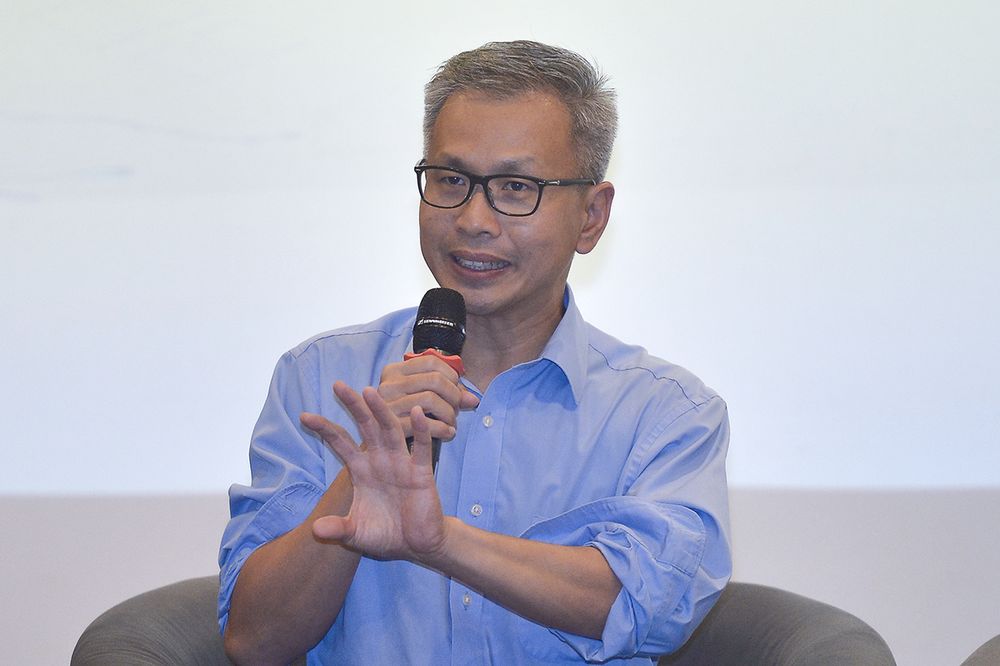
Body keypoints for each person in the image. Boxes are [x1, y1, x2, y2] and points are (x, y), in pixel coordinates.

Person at [218, 40, 731, 664]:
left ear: (592, 216)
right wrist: (357, 482)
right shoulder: (321, 379)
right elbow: (253, 642)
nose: (473, 219)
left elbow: (651, 609)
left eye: (516, 188)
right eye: (451, 180)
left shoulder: (664, 414)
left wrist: (441, 543)